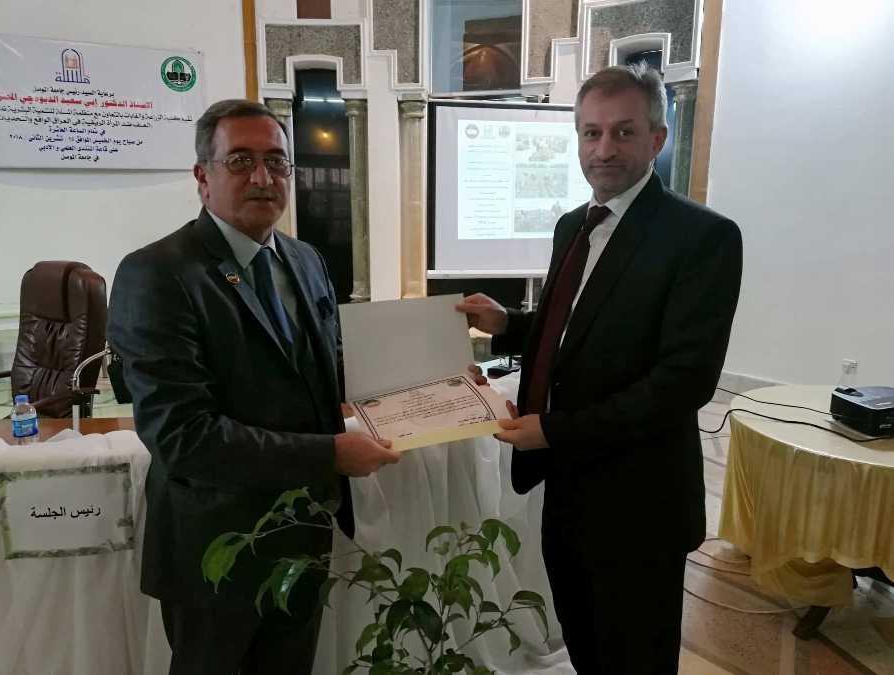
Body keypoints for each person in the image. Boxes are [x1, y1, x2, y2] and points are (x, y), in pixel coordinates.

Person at [457, 64, 743, 674]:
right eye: (591, 133)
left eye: (623, 132)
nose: (603, 149)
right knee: (586, 647)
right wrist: (508, 322)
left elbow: (683, 381)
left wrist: (554, 430)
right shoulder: (573, 225)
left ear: (657, 138)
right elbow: (576, 328)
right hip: (567, 491)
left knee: (636, 659)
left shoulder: (703, 237)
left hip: (639, 503)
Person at [107, 99, 400, 675]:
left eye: (277, 161)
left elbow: (328, 372)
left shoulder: (305, 259)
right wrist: (330, 455)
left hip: (303, 537)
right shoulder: (157, 273)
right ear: (203, 177)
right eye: (240, 161)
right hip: (215, 552)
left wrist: (426, 384)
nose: (263, 177)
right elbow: (183, 436)